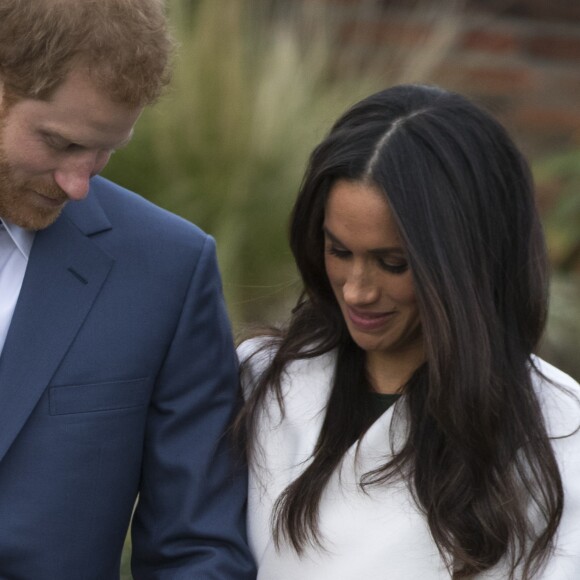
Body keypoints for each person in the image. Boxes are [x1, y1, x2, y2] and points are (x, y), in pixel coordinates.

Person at [237, 84, 580, 579]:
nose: (356, 291)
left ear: (467, 263)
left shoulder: (559, 435)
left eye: (392, 263)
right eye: (339, 251)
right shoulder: (262, 381)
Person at [0, 0, 255, 578]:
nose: (78, 183)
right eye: (60, 144)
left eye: (104, 151)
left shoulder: (168, 270)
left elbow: (198, 547)